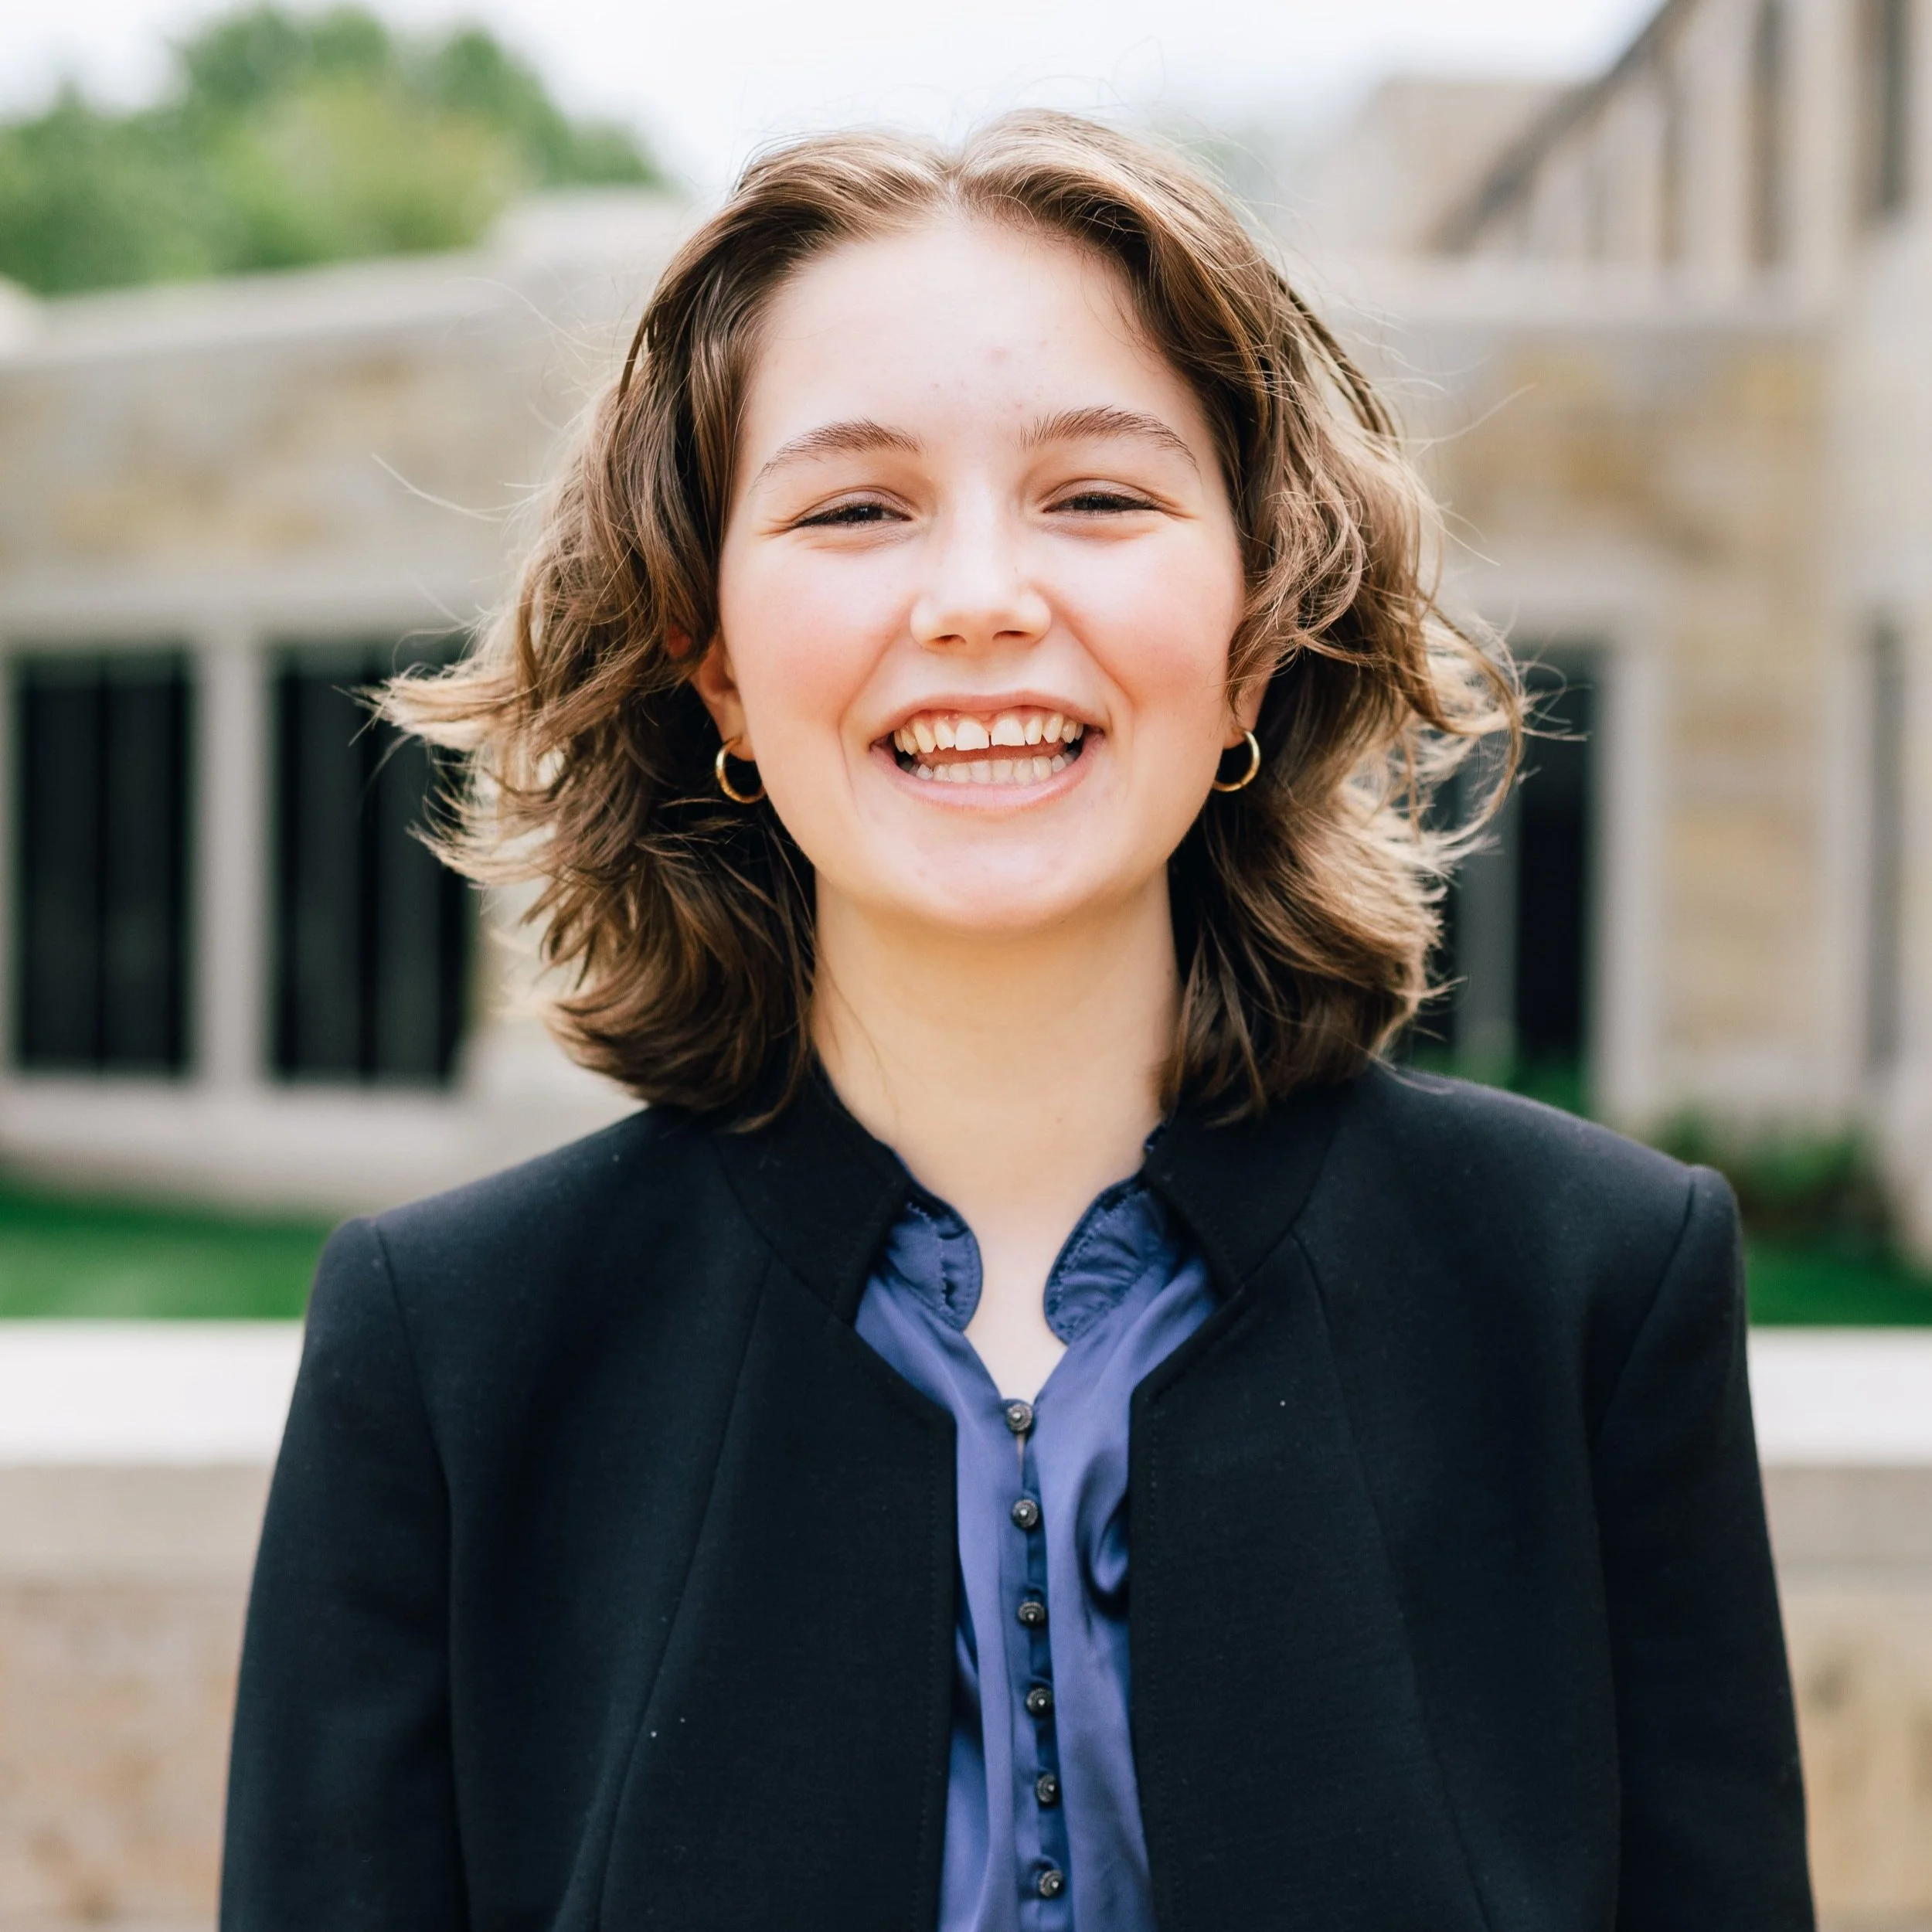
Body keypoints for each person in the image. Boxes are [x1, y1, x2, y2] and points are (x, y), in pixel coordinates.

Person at [220, 114, 1813, 1931]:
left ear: (1258, 626)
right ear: (713, 654)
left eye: (1098, 495)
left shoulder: (1590, 1287)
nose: (978, 597)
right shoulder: (454, 1351)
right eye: (853, 507)